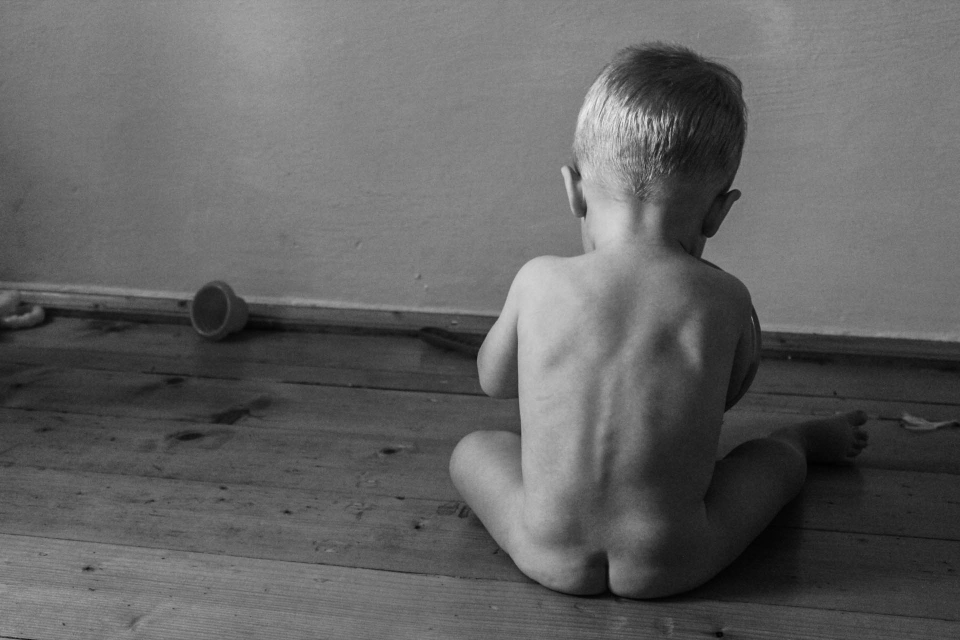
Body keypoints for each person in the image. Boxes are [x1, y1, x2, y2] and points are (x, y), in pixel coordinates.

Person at [449, 43, 868, 598]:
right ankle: (802, 443)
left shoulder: (538, 279)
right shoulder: (726, 298)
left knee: (474, 449)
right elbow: (722, 397)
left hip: (546, 550)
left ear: (574, 189)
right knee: (770, 461)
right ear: (718, 211)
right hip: (675, 558)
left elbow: (493, 380)